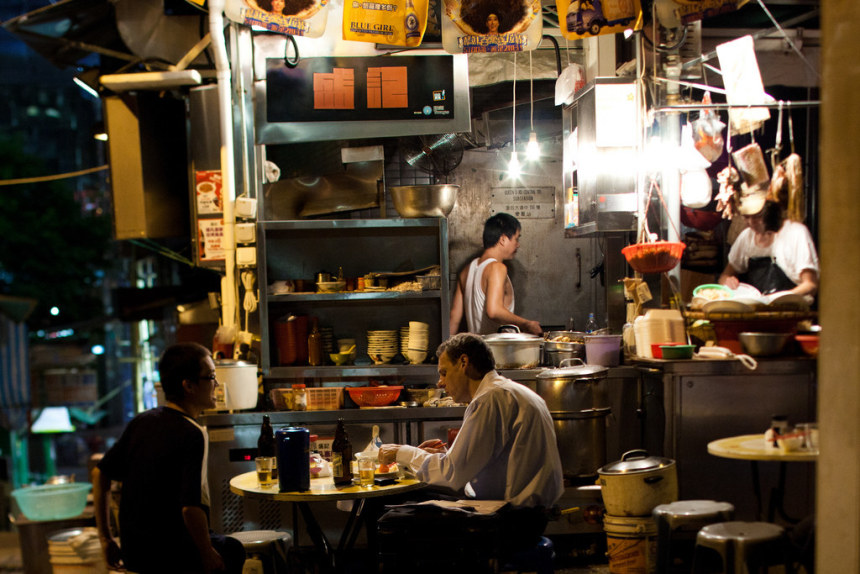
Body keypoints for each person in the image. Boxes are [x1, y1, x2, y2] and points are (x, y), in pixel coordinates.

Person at [379, 333, 564, 546]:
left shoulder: (489, 399)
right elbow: (485, 459)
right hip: (532, 515)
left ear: (464, 362)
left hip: (511, 520)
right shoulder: (512, 392)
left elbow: (452, 473)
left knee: (391, 517)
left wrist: (401, 452)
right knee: (415, 499)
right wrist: (445, 456)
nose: (440, 383)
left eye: (444, 373)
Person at [93, 343, 245, 574]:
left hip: (135, 554)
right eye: (211, 376)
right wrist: (206, 553)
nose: (216, 384)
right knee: (233, 550)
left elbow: (99, 473)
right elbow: (190, 508)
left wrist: (106, 539)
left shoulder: (142, 421)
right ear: (189, 386)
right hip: (171, 555)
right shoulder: (193, 433)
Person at [449, 213, 542, 336]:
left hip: (477, 349)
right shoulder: (497, 268)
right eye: (516, 238)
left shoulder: (466, 271)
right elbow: (493, 311)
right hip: (497, 352)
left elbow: (454, 319)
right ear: (503, 239)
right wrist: (526, 324)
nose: (518, 244)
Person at [718, 194, 819, 300]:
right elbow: (724, 276)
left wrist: (774, 299)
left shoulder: (796, 233)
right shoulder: (746, 236)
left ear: (771, 213)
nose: (751, 223)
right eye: (747, 217)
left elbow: (810, 285)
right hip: (757, 307)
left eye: (757, 216)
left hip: (792, 308)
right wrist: (727, 281)